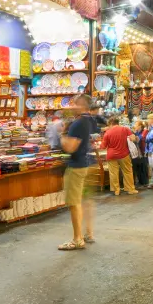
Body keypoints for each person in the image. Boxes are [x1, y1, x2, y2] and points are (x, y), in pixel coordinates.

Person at [58, 95, 95, 250]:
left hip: (76, 166)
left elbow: (70, 148)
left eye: (75, 104)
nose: (72, 106)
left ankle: (77, 238)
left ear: (82, 106)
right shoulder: (88, 121)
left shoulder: (77, 123)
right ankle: (88, 233)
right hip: (86, 163)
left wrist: (62, 135)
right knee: (85, 200)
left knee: (74, 203)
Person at [100, 117, 138, 196]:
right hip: (124, 155)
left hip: (111, 155)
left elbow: (103, 146)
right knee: (127, 172)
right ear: (118, 122)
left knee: (113, 173)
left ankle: (116, 190)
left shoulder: (107, 132)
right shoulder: (125, 129)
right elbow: (133, 138)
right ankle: (130, 189)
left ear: (110, 123)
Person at [132, 121, 149, 187]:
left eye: (136, 125)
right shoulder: (137, 132)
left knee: (143, 167)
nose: (135, 126)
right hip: (139, 153)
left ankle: (144, 181)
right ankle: (141, 181)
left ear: (140, 126)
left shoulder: (144, 131)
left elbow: (139, 139)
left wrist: (134, 136)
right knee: (139, 167)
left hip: (143, 151)